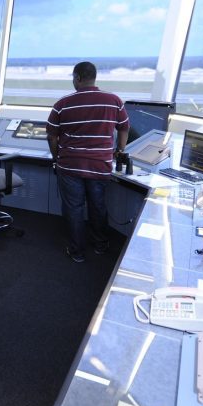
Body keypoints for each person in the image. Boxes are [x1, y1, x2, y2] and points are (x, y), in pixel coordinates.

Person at [46, 61, 129, 264]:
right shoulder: (114, 101)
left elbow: (51, 136)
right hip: (100, 166)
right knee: (98, 206)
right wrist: (119, 150)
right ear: (94, 77)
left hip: (70, 166)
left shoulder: (62, 104)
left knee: (74, 208)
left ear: (78, 78)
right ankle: (100, 245)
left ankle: (77, 252)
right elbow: (124, 128)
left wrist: (57, 157)